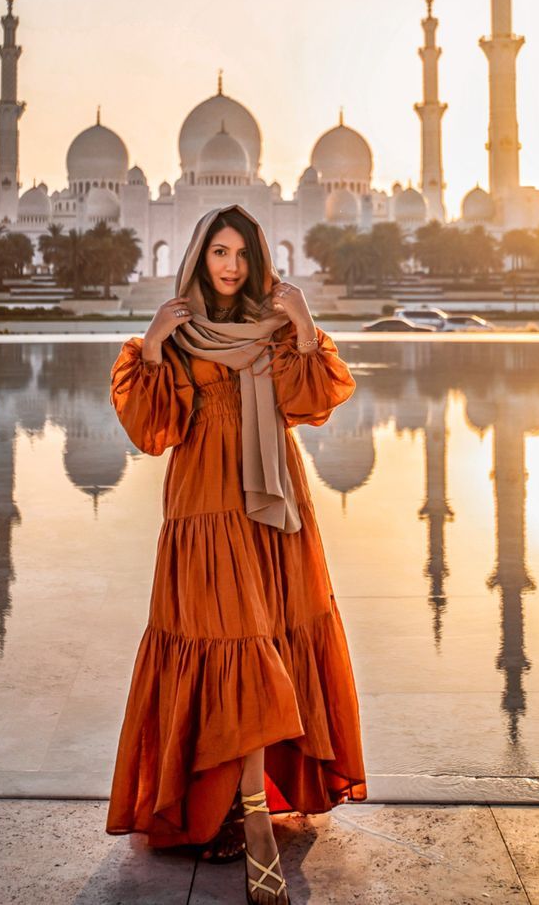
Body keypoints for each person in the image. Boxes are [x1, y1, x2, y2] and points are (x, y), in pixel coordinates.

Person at [105, 203, 366, 904]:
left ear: (257, 260)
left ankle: (237, 809)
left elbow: (313, 399)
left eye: (241, 254)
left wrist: (305, 322)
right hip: (203, 510)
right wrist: (157, 345)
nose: (230, 265)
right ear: (199, 255)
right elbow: (152, 429)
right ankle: (251, 824)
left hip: (270, 509)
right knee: (231, 645)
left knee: (262, 645)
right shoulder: (178, 335)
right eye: (219, 250)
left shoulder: (277, 330)